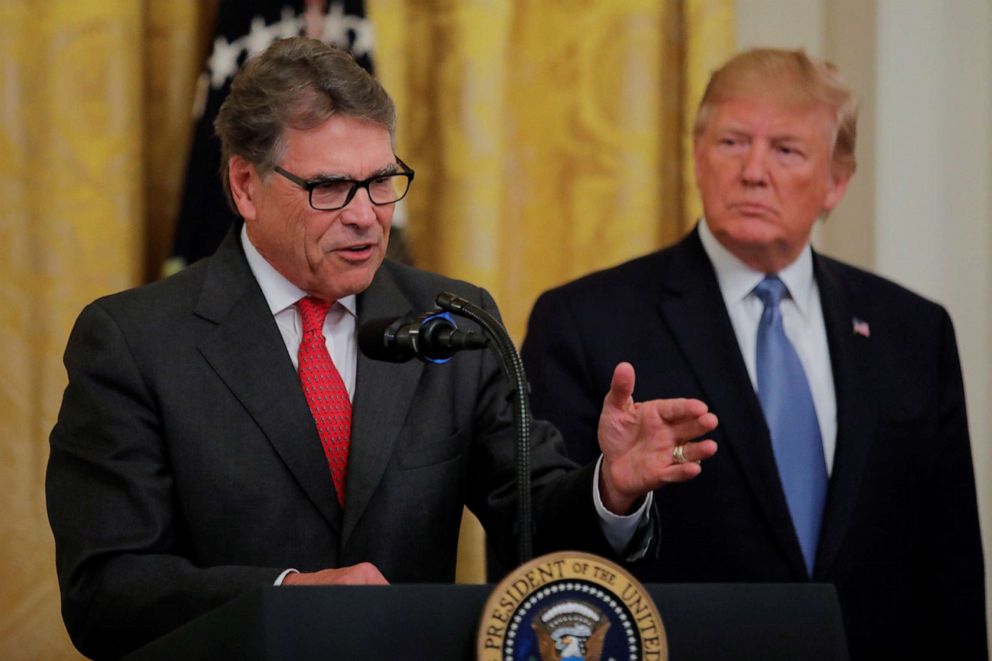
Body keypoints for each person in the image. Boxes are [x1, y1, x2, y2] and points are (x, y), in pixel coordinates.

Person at [45, 37, 718, 659]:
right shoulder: (134, 341)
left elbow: (527, 522)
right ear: (245, 185)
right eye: (331, 188)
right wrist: (283, 595)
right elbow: (106, 589)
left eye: (381, 179)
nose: (367, 213)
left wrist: (611, 487)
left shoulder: (455, 318)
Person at [520, 49, 986, 660]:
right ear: (697, 155)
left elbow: (949, 562)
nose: (753, 171)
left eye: (786, 150)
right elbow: (535, 550)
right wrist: (613, 493)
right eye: (733, 142)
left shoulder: (914, 331)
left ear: (836, 182)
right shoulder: (586, 321)